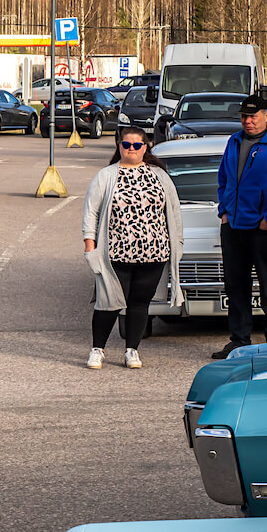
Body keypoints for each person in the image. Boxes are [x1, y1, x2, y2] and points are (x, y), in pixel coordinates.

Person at [83, 126, 184, 369]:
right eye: (126, 144)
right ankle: (98, 349)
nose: (131, 149)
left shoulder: (159, 175)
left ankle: (132, 350)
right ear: (119, 147)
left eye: (136, 145)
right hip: (115, 254)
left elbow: (174, 212)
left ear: (145, 148)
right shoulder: (106, 175)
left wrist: (176, 243)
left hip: (154, 253)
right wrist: (90, 246)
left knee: (140, 304)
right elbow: (91, 212)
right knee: (108, 303)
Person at [211, 95, 267, 359]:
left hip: (262, 228)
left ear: (266, 116)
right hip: (233, 226)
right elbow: (223, 178)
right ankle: (239, 340)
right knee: (236, 285)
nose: (248, 121)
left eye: (253, 116)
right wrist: (223, 210)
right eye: (244, 117)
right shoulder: (234, 141)